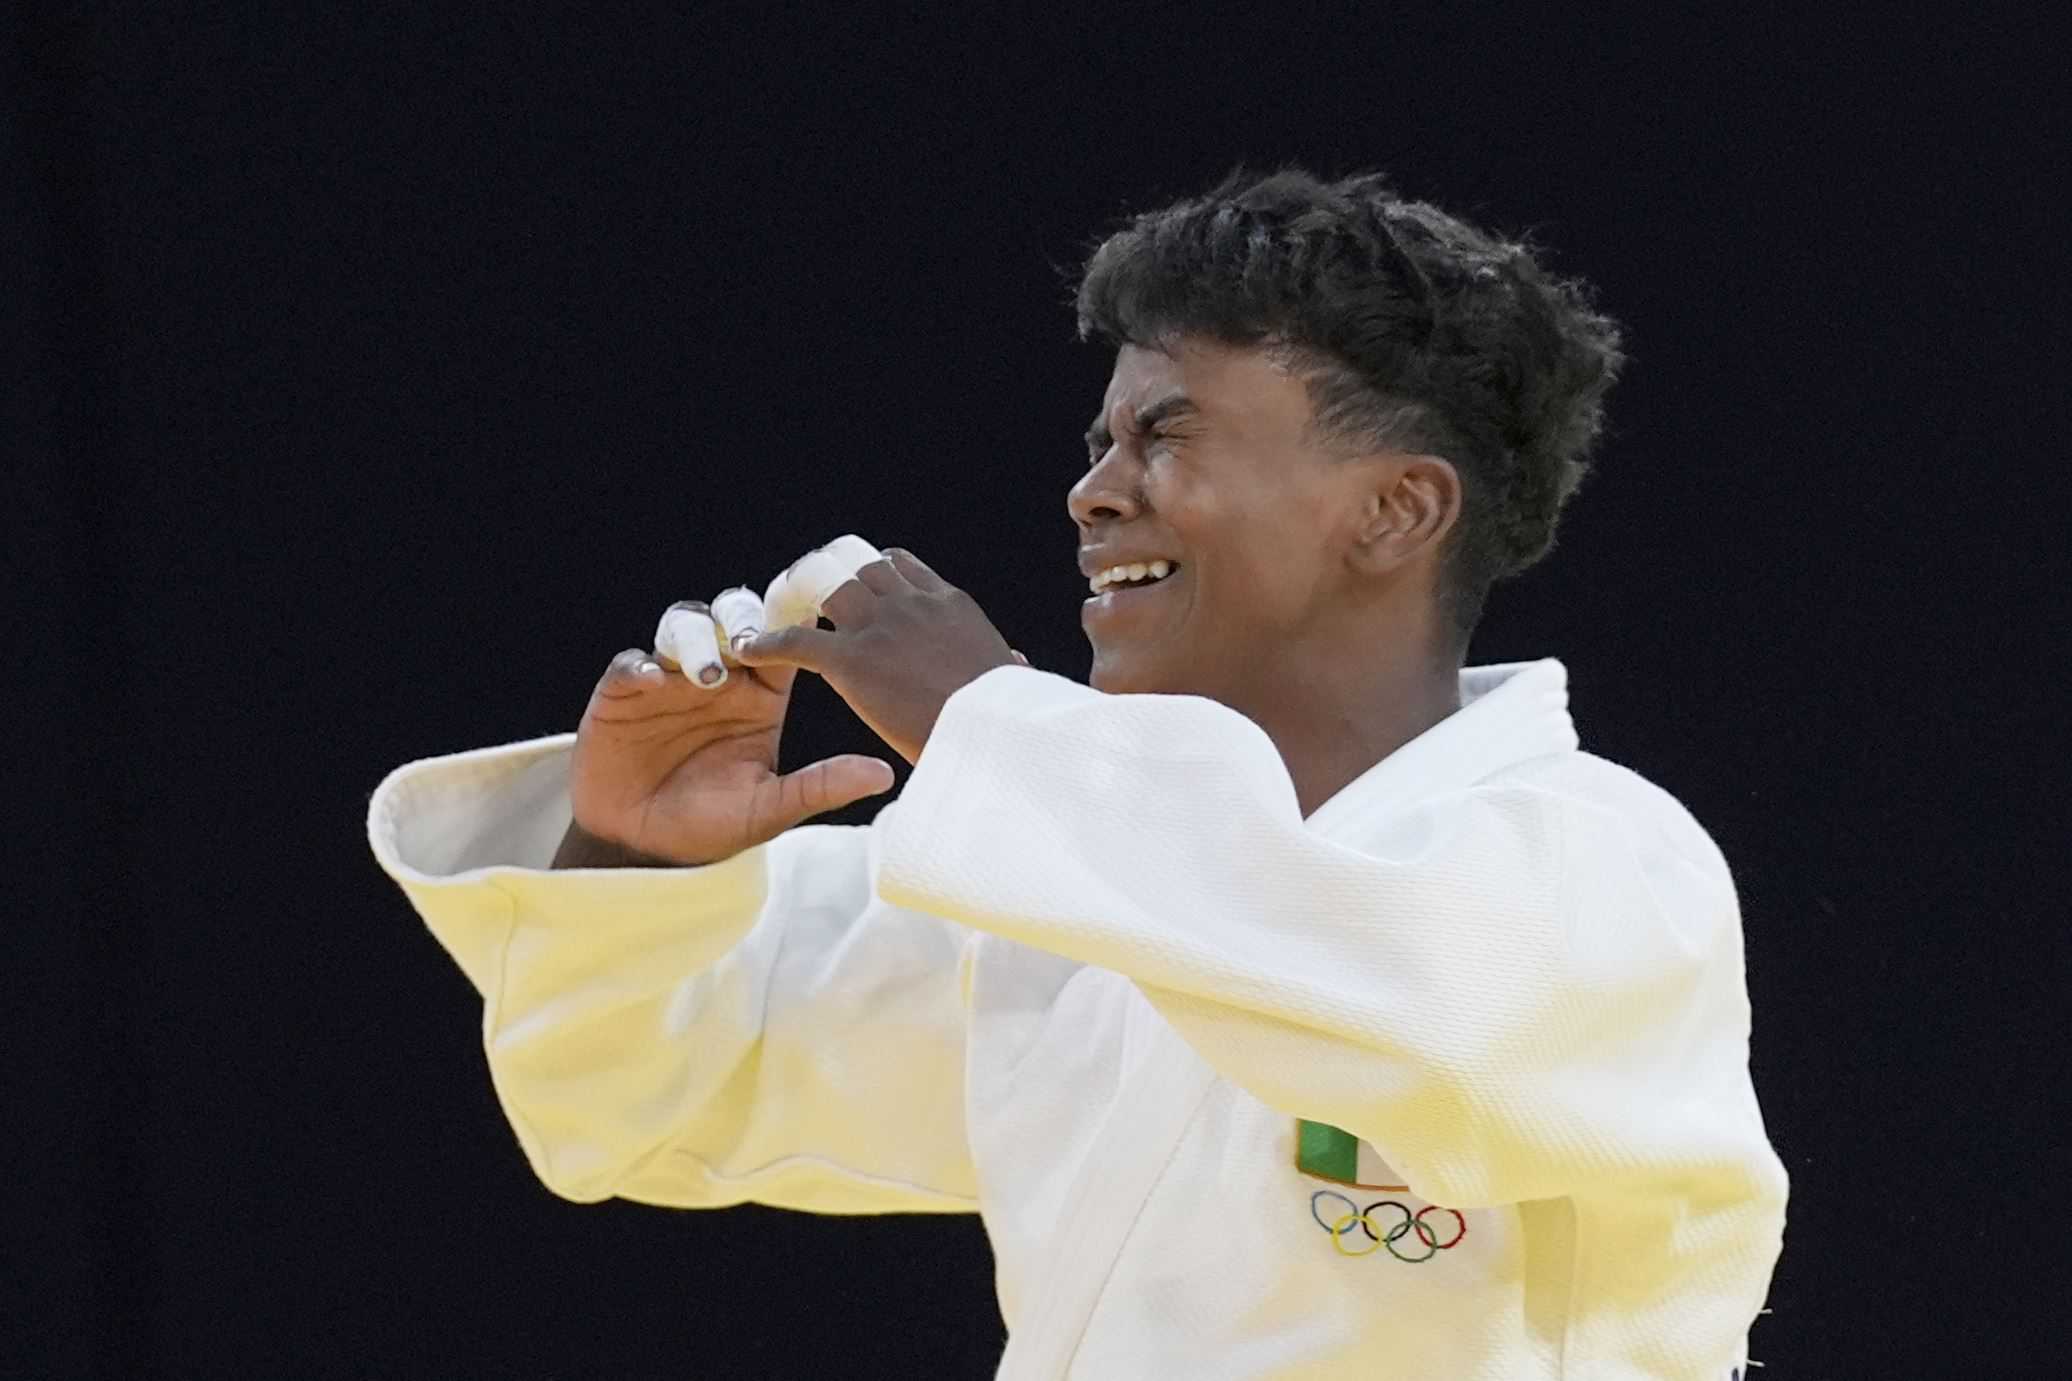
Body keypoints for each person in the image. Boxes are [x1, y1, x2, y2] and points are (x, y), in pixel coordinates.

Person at [368, 167, 1787, 1379]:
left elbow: (1428, 1021)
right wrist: (637, 860)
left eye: (1169, 432)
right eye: (1101, 438)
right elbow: (642, 1105)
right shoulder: (1053, 896)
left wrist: (991, 717)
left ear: (1395, 509)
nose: (1095, 489)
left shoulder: (1606, 864)